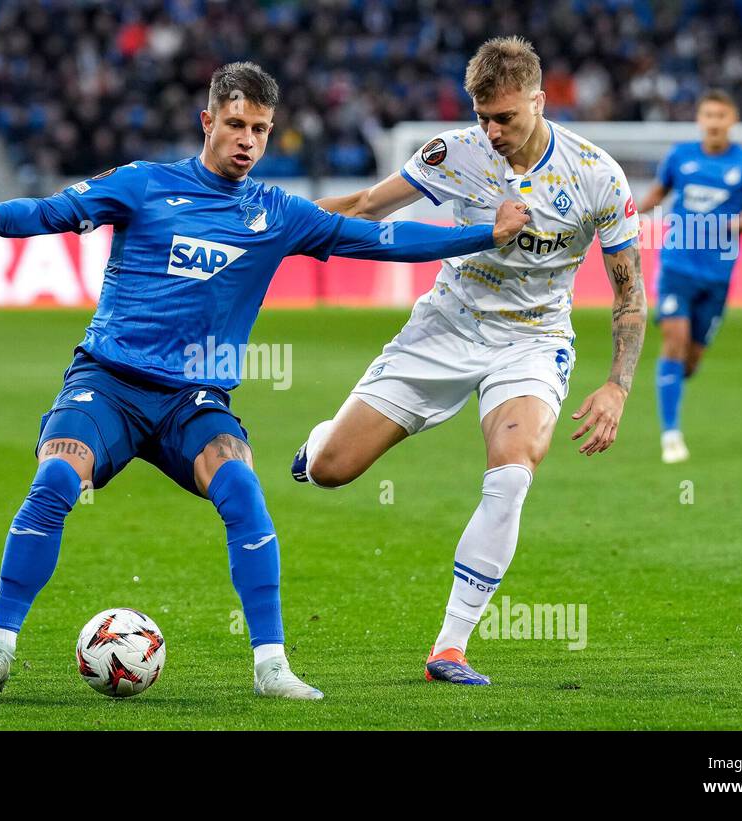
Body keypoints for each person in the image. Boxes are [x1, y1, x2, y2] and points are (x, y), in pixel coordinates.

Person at [0, 61, 530, 701]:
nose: (248, 140)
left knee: (243, 491)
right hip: (107, 383)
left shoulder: (277, 213)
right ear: (207, 121)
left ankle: (272, 666)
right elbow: (60, 209)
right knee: (56, 477)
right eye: (236, 124)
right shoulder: (144, 184)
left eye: (262, 129)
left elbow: (379, 236)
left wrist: (481, 235)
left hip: (194, 400)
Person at [290, 37, 646, 685]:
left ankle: (449, 647)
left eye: (505, 117)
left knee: (513, 471)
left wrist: (618, 386)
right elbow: (368, 206)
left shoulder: (597, 175)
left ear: (540, 101)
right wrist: (272, 224)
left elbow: (629, 294)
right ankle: (315, 447)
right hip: (445, 326)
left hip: (534, 339)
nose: (492, 130)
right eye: (482, 115)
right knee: (330, 469)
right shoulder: (457, 153)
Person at [638, 89, 742, 463]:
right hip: (677, 265)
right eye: (708, 115)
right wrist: (630, 214)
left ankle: (672, 384)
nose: (714, 122)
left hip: (717, 274)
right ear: (699, 120)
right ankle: (671, 435)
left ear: (732, 121)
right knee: (674, 342)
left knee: (691, 360)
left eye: (721, 116)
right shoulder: (679, 157)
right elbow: (658, 193)